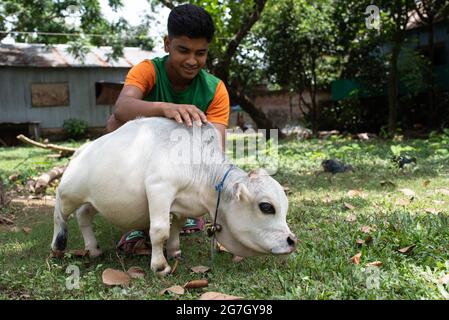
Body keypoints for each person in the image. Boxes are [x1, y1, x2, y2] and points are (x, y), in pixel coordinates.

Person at [106, 4, 230, 240]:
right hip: (142, 162)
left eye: (200, 53)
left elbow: (216, 150)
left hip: (186, 166)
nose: (192, 60)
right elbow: (122, 108)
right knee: (113, 124)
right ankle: (137, 219)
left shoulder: (215, 89)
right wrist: (166, 108)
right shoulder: (148, 71)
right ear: (167, 44)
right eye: (183, 50)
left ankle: (189, 209)